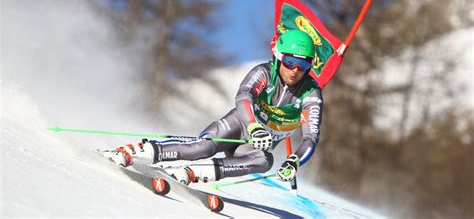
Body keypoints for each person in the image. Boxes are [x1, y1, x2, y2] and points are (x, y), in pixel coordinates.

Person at [103, 30, 323, 185]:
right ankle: (137, 151)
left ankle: (194, 173)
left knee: (264, 161)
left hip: (254, 146)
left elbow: (310, 137)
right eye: (290, 62)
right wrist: (254, 127)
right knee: (203, 148)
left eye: (303, 65)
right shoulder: (264, 73)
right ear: (278, 58)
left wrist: (294, 162)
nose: (295, 70)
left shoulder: (310, 93)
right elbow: (244, 96)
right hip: (240, 125)